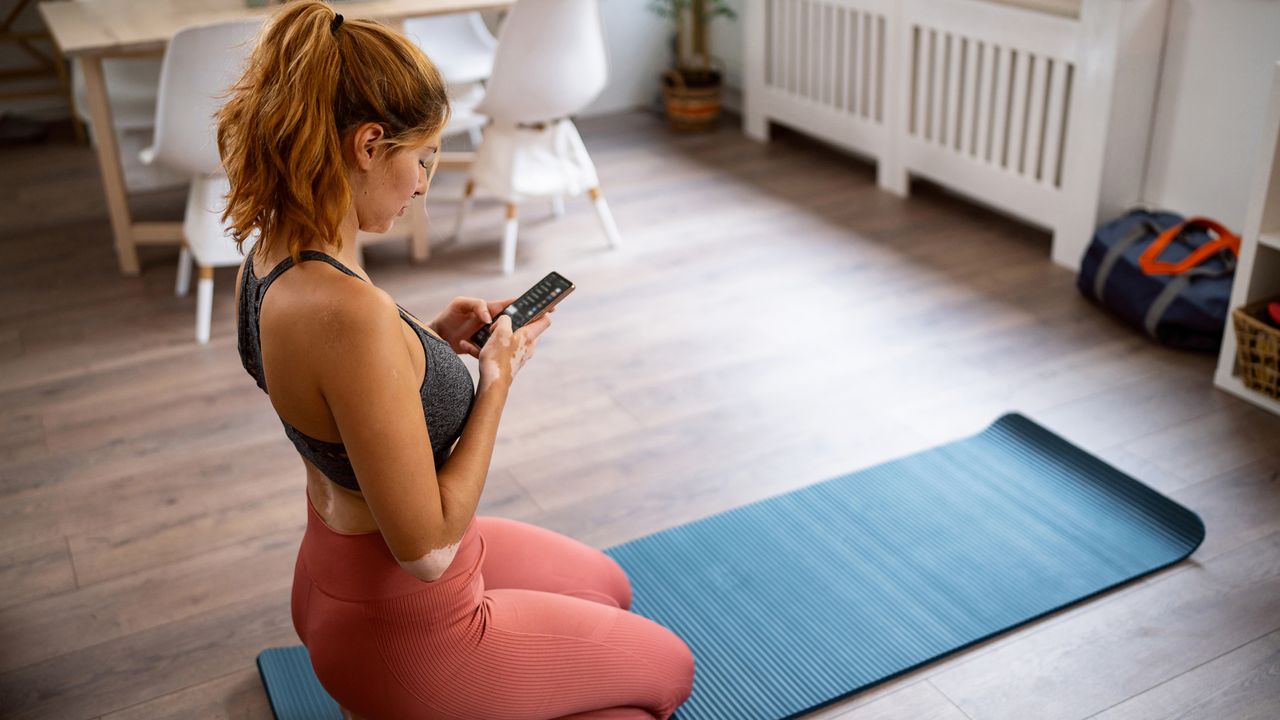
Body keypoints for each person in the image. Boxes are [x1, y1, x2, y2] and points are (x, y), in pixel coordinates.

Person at [217, 2, 695, 718]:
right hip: (405, 633)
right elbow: (429, 550)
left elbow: (335, 403)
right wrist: (494, 381)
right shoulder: (351, 315)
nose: (424, 183)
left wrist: (429, 343)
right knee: (667, 673)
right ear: (368, 144)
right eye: (423, 158)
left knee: (608, 586)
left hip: (333, 573)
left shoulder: (269, 255)